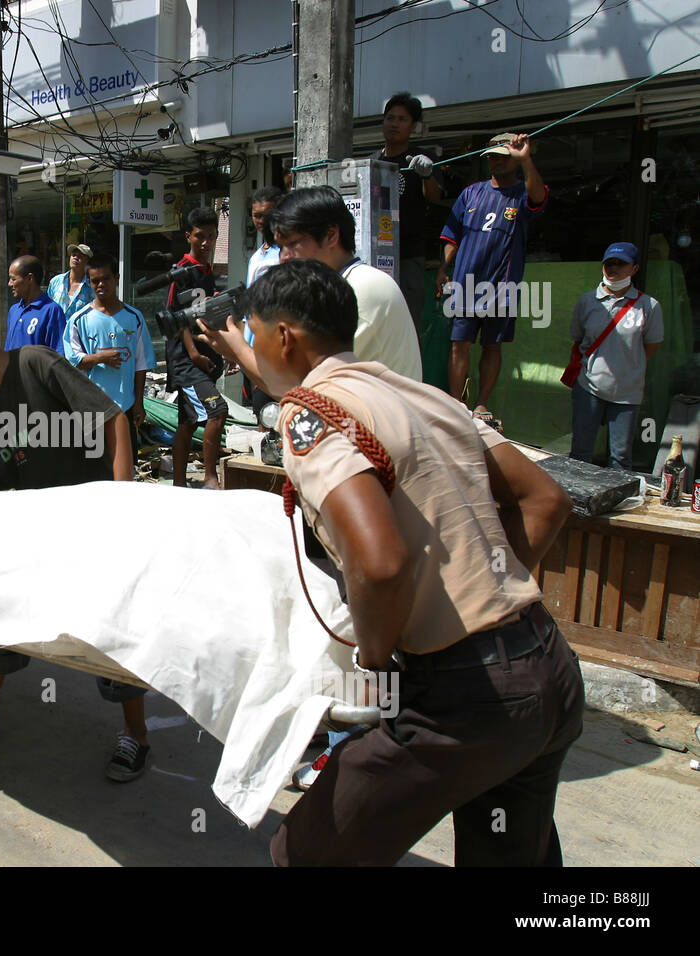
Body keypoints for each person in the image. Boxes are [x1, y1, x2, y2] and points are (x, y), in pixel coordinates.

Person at [199, 259, 583, 866]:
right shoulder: (425, 395)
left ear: (284, 336)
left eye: (254, 333)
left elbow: (379, 566)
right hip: (547, 669)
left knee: (307, 853)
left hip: (461, 697)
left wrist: (374, 665)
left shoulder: (310, 414)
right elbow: (546, 500)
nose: (253, 346)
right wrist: (487, 593)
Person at [0, 285, 152, 782]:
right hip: (36, 539)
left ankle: (136, 734)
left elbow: (112, 421)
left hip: (92, 527)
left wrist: (122, 505)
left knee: (110, 634)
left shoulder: (35, 363)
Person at [436, 132, 548, 417]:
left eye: (503, 157)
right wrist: (443, 268)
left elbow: (538, 197)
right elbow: (452, 235)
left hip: (502, 284)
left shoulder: (522, 192)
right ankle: (456, 404)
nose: (496, 162)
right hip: (465, 282)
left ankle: (481, 402)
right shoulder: (470, 193)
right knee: (459, 344)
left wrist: (526, 159)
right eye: (492, 157)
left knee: (492, 345)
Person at [270, 186, 422, 381]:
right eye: (280, 247)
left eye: (292, 244)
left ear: (331, 236)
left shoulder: (362, 288)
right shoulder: (336, 287)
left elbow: (303, 381)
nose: (284, 257)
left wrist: (238, 348)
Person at [569, 242, 664, 470]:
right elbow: (578, 338)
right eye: (609, 263)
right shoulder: (587, 301)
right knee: (580, 452)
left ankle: (618, 495)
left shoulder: (649, 306)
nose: (614, 268)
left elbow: (651, 347)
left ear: (635, 269)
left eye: (621, 263)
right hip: (589, 386)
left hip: (627, 392)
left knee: (620, 457)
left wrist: (627, 365)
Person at [165, 207, 229, 489]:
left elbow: (203, 314)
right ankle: (211, 479)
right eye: (200, 236)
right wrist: (194, 354)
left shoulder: (206, 270)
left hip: (205, 357)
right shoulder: (182, 270)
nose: (205, 242)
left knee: (188, 422)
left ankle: (179, 484)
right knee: (217, 411)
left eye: (211, 236)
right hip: (188, 361)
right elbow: (177, 319)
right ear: (188, 236)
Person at [371, 92, 444, 331]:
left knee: (407, 325)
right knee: (376, 323)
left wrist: (427, 175)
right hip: (374, 256)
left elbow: (435, 196)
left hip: (409, 255)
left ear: (413, 126)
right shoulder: (372, 160)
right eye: (390, 118)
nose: (395, 124)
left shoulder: (422, 158)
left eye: (402, 119)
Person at [62, 253, 156, 436]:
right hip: (91, 407)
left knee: (126, 455)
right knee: (95, 455)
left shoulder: (134, 317)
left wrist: (139, 403)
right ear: (89, 282)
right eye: (95, 281)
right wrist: (100, 358)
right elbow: (72, 361)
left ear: (117, 278)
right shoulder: (78, 320)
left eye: (106, 279)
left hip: (126, 406)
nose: (101, 284)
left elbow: (141, 364)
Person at [244, 186, 285, 418]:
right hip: (254, 349)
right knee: (263, 415)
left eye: (266, 215)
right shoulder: (258, 255)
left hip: (275, 350)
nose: (261, 221)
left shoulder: (286, 254)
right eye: (256, 215)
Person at [4, 255, 67, 353]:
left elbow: (58, 354)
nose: (9, 283)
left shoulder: (52, 311)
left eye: (13, 279)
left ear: (29, 278)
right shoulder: (14, 310)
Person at [47, 242, 95, 321]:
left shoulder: (91, 287)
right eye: (73, 255)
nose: (75, 258)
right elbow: (47, 307)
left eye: (80, 256)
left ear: (87, 262)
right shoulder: (55, 281)